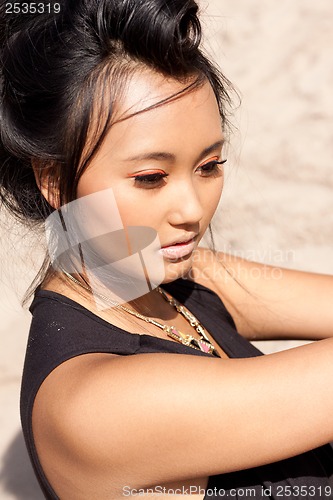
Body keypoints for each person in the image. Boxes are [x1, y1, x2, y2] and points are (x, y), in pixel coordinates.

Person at [1, 0, 333, 498]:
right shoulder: (94, 406)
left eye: (209, 165)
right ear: (53, 179)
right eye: (151, 177)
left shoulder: (170, 277)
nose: (191, 210)